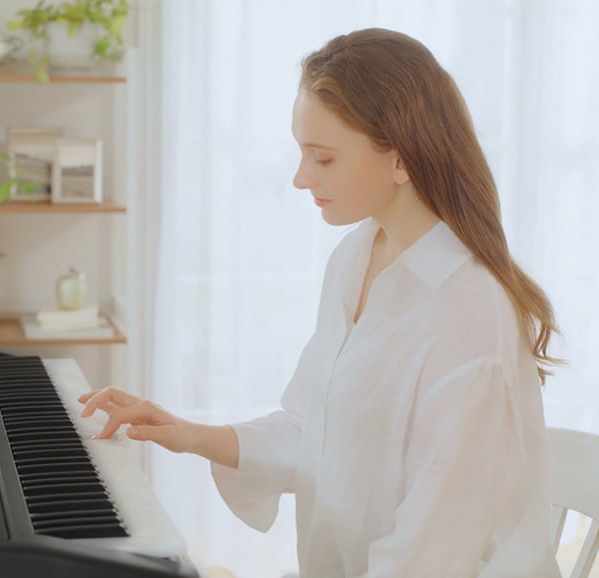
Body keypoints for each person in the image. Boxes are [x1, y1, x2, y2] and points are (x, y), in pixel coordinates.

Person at [78, 28, 563, 578]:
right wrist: (189, 434)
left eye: (323, 158)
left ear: (400, 160)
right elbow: (315, 430)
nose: (300, 178)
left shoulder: (470, 314)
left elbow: (433, 550)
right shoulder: (357, 256)